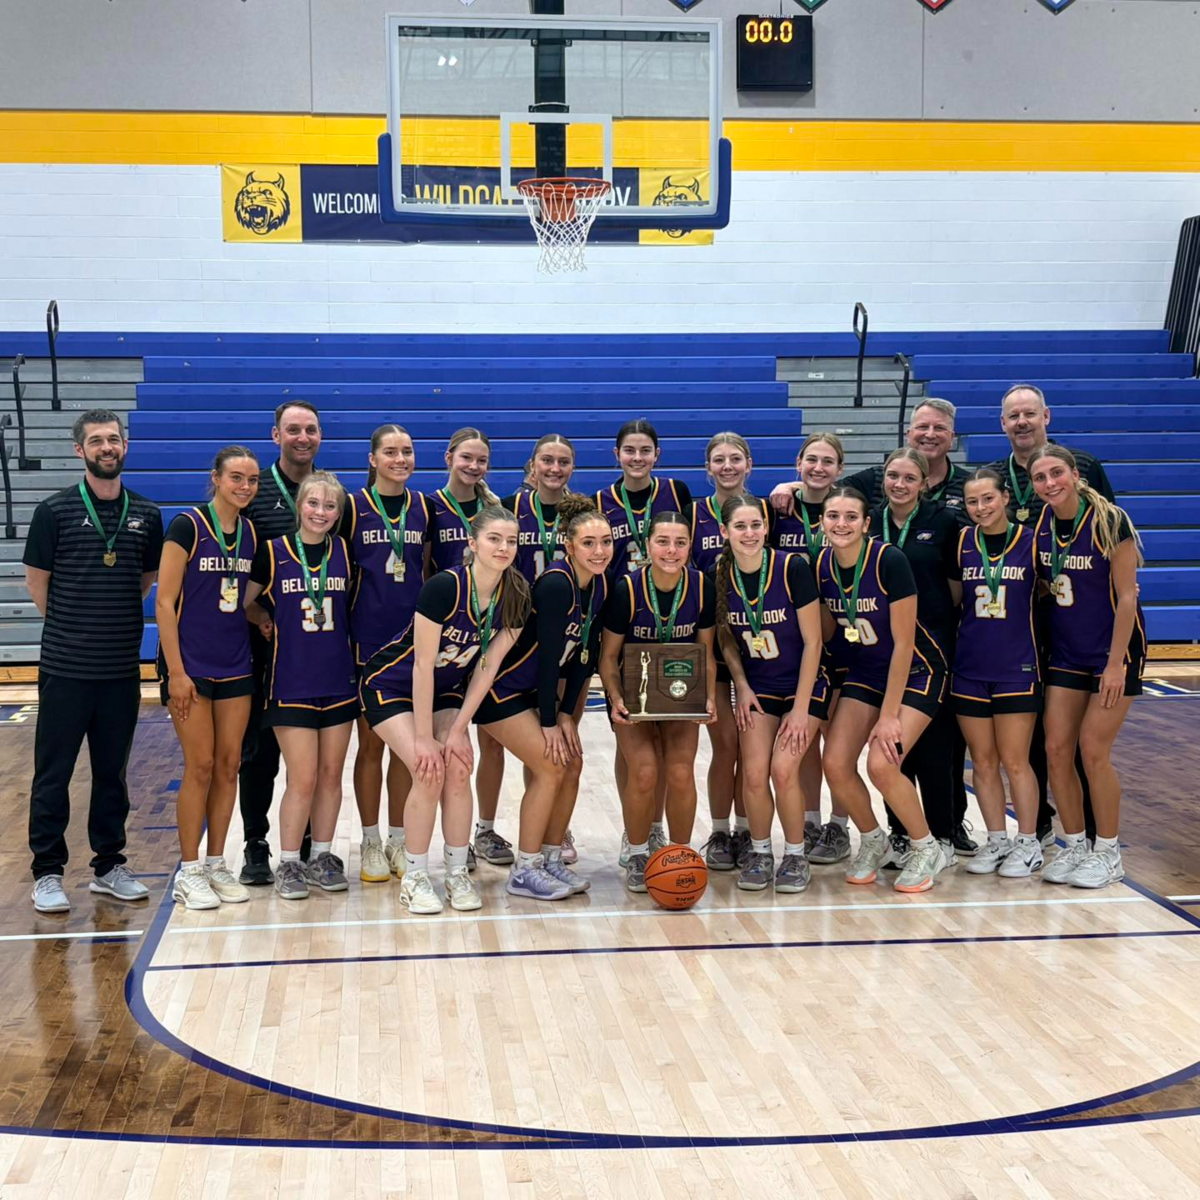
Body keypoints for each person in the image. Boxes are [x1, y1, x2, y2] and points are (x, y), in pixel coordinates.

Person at [25, 408, 163, 914]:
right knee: (52, 773)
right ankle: (47, 872)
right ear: (78, 450)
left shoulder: (147, 514)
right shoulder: (54, 511)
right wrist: (74, 627)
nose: (107, 447)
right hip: (65, 670)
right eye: (96, 441)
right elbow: (38, 584)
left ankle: (109, 866)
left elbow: (145, 581)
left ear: (125, 447)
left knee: (113, 774)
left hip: (120, 670)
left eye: (114, 439)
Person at [361, 506, 532, 914]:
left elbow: (487, 667)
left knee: (457, 765)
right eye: (494, 538)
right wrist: (424, 738)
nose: (504, 547)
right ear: (472, 544)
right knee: (428, 768)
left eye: (511, 540)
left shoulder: (517, 595)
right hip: (392, 685)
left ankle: (456, 872)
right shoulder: (445, 586)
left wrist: (458, 729)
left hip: (446, 690)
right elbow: (422, 664)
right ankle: (416, 876)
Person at [990, 382, 1115, 845]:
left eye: (1029, 413)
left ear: (1047, 416)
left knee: (1080, 742)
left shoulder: (1085, 467)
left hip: (1078, 623)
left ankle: (1096, 837)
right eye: (1013, 416)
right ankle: (1040, 830)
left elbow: (1105, 538)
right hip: (1022, 624)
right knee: (1040, 737)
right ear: (1002, 424)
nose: (1022, 421)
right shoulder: (992, 476)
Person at [475, 493, 612, 900]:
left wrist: (569, 714)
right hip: (501, 691)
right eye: (588, 543)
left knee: (573, 764)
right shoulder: (556, 583)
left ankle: (552, 858)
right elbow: (550, 660)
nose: (599, 550)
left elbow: (582, 659)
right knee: (552, 765)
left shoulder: (598, 584)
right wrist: (552, 722)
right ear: (568, 545)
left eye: (605, 541)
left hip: (535, 693)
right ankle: (526, 867)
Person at [814, 488, 950, 893]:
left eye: (851, 516)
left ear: (866, 523)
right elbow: (824, 632)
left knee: (881, 764)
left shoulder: (889, 560)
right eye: (833, 516)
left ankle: (927, 847)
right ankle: (876, 841)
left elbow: (905, 645)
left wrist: (889, 716)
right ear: (822, 522)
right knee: (835, 763)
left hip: (917, 670)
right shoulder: (820, 564)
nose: (841, 524)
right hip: (864, 671)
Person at [1029, 446, 1144, 889]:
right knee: (1057, 750)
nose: (1049, 483)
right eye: (1040, 477)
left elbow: (1127, 596)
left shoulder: (1111, 520)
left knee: (1093, 751)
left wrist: (1115, 665)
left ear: (1076, 475)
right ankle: (1075, 845)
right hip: (1066, 654)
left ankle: (1108, 851)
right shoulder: (1040, 525)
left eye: (1056, 473)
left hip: (1112, 655)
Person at [243, 471, 357, 901]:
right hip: (290, 682)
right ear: (299, 506)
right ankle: (289, 861)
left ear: (338, 512)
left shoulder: (345, 553)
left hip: (338, 679)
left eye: (330, 506)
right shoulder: (273, 553)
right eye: (314, 504)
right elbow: (243, 601)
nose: (321, 512)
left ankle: (322, 856)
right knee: (303, 777)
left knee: (331, 775)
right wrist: (262, 619)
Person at [156, 446, 260, 909]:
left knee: (228, 765)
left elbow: (235, 597)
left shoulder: (251, 533)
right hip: (191, 668)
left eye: (252, 480)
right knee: (198, 766)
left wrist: (261, 617)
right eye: (236, 477)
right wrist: (175, 672)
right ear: (216, 478)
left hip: (236, 664)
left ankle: (218, 862)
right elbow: (164, 602)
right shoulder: (187, 525)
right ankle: (190, 869)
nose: (244, 486)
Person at [598, 511, 717, 894]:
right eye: (662, 541)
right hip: (635, 693)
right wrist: (615, 699)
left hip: (683, 692)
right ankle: (636, 852)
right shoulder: (627, 589)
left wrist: (710, 696)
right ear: (647, 546)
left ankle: (678, 856)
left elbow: (706, 652)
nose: (671, 550)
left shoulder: (701, 585)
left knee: (681, 772)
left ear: (690, 546)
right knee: (646, 770)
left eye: (680, 542)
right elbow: (607, 658)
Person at [713, 495, 826, 893]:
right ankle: (761, 852)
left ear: (766, 527)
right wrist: (741, 686)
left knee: (783, 769)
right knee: (755, 772)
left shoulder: (791, 567)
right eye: (740, 526)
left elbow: (814, 643)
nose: (749, 533)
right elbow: (726, 640)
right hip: (757, 688)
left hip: (804, 687)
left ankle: (795, 855)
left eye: (756, 525)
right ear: (725, 532)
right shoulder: (720, 574)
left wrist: (800, 708)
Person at [596, 419, 692, 861]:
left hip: (674, 632)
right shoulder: (600, 501)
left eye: (645, 450)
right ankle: (634, 830)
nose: (637, 458)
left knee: (670, 756)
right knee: (635, 750)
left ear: (658, 455)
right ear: (616, 454)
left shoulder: (677, 493)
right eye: (629, 450)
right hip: (623, 622)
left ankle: (656, 830)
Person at [342, 425, 431, 884]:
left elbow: (429, 571)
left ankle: (399, 837)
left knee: (407, 751)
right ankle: (371, 839)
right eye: (391, 452)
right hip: (367, 645)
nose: (401, 458)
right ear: (373, 458)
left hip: (413, 647)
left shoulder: (423, 507)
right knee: (371, 747)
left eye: (408, 451)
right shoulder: (352, 507)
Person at [238, 400, 322, 886]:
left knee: (308, 756)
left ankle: (308, 846)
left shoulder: (328, 492)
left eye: (311, 429)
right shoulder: (256, 489)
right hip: (260, 646)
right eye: (293, 429)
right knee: (260, 753)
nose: (303, 437)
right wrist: (252, 610)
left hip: (312, 647)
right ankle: (255, 845)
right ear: (276, 435)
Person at [868, 448, 964, 869]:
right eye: (893, 476)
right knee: (893, 749)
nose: (900, 484)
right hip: (886, 648)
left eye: (909, 478)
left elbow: (956, 587)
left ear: (924, 483)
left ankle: (942, 834)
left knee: (936, 750)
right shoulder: (870, 520)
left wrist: (939, 629)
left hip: (931, 648)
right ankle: (902, 833)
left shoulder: (943, 521)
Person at [949, 468, 1044, 877]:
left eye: (988, 498)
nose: (980, 508)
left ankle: (1029, 842)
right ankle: (996, 839)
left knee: (1015, 760)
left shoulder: (1031, 542)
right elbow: (955, 599)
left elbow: (1046, 594)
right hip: (970, 665)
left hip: (1017, 666)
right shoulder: (962, 544)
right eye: (972, 501)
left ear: (1005, 498)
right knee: (982, 762)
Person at [428, 427, 514, 872]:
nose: (474, 466)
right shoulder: (429, 507)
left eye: (481, 460)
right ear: (448, 457)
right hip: (441, 637)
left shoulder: (497, 511)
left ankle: (482, 829)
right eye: (466, 457)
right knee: (433, 751)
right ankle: (412, 840)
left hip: (483, 634)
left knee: (486, 743)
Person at [769, 432, 853, 863]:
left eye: (828, 462)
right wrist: (783, 489)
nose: (819, 468)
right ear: (797, 462)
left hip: (848, 634)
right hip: (796, 638)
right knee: (806, 739)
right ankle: (812, 818)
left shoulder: (848, 510)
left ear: (840, 469)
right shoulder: (778, 509)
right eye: (811, 460)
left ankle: (840, 824)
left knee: (836, 738)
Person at [689, 433, 759, 871]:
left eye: (736, 459)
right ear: (708, 468)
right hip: (713, 645)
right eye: (720, 460)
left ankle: (749, 830)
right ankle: (719, 831)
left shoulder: (767, 511)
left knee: (753, 752)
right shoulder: (695, 515)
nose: (728, 466)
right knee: (726, 748)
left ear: (749, 464)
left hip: (761, 647)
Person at [770, 400, 971, 517]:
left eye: (939, 428)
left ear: (952, 437)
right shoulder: (876, 477)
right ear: (909, 433)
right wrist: (788, 487)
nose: (930, 434)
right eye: (922, 427)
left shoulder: (969, 484)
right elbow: (825, 485)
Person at [505, 434, 575, 582]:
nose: (555, 469)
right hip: (520, 602)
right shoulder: (509, 508)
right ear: (532, 465)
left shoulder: (582, 511)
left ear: (572, 468)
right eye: (547, 460)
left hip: (569, 602)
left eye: (563, 462)